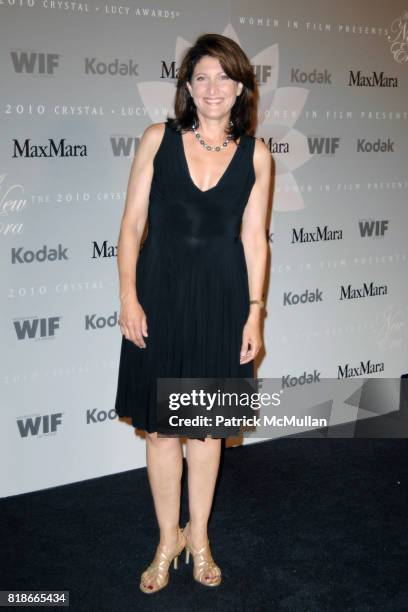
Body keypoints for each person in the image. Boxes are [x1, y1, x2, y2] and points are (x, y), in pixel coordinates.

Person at [114, 33, 271, 593]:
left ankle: (199, 536)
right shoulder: (157, 140)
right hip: (161, 299)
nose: (213, 88)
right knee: (161, 434)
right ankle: (166, 540)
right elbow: (132, 227)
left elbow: (255, 240)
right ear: (187, 85)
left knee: (205, 434)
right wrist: (129, 298)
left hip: (223, 302)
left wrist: (254, 314)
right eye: (202, 77)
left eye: (224, 78)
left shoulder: (256, 153)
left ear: (240, 88)